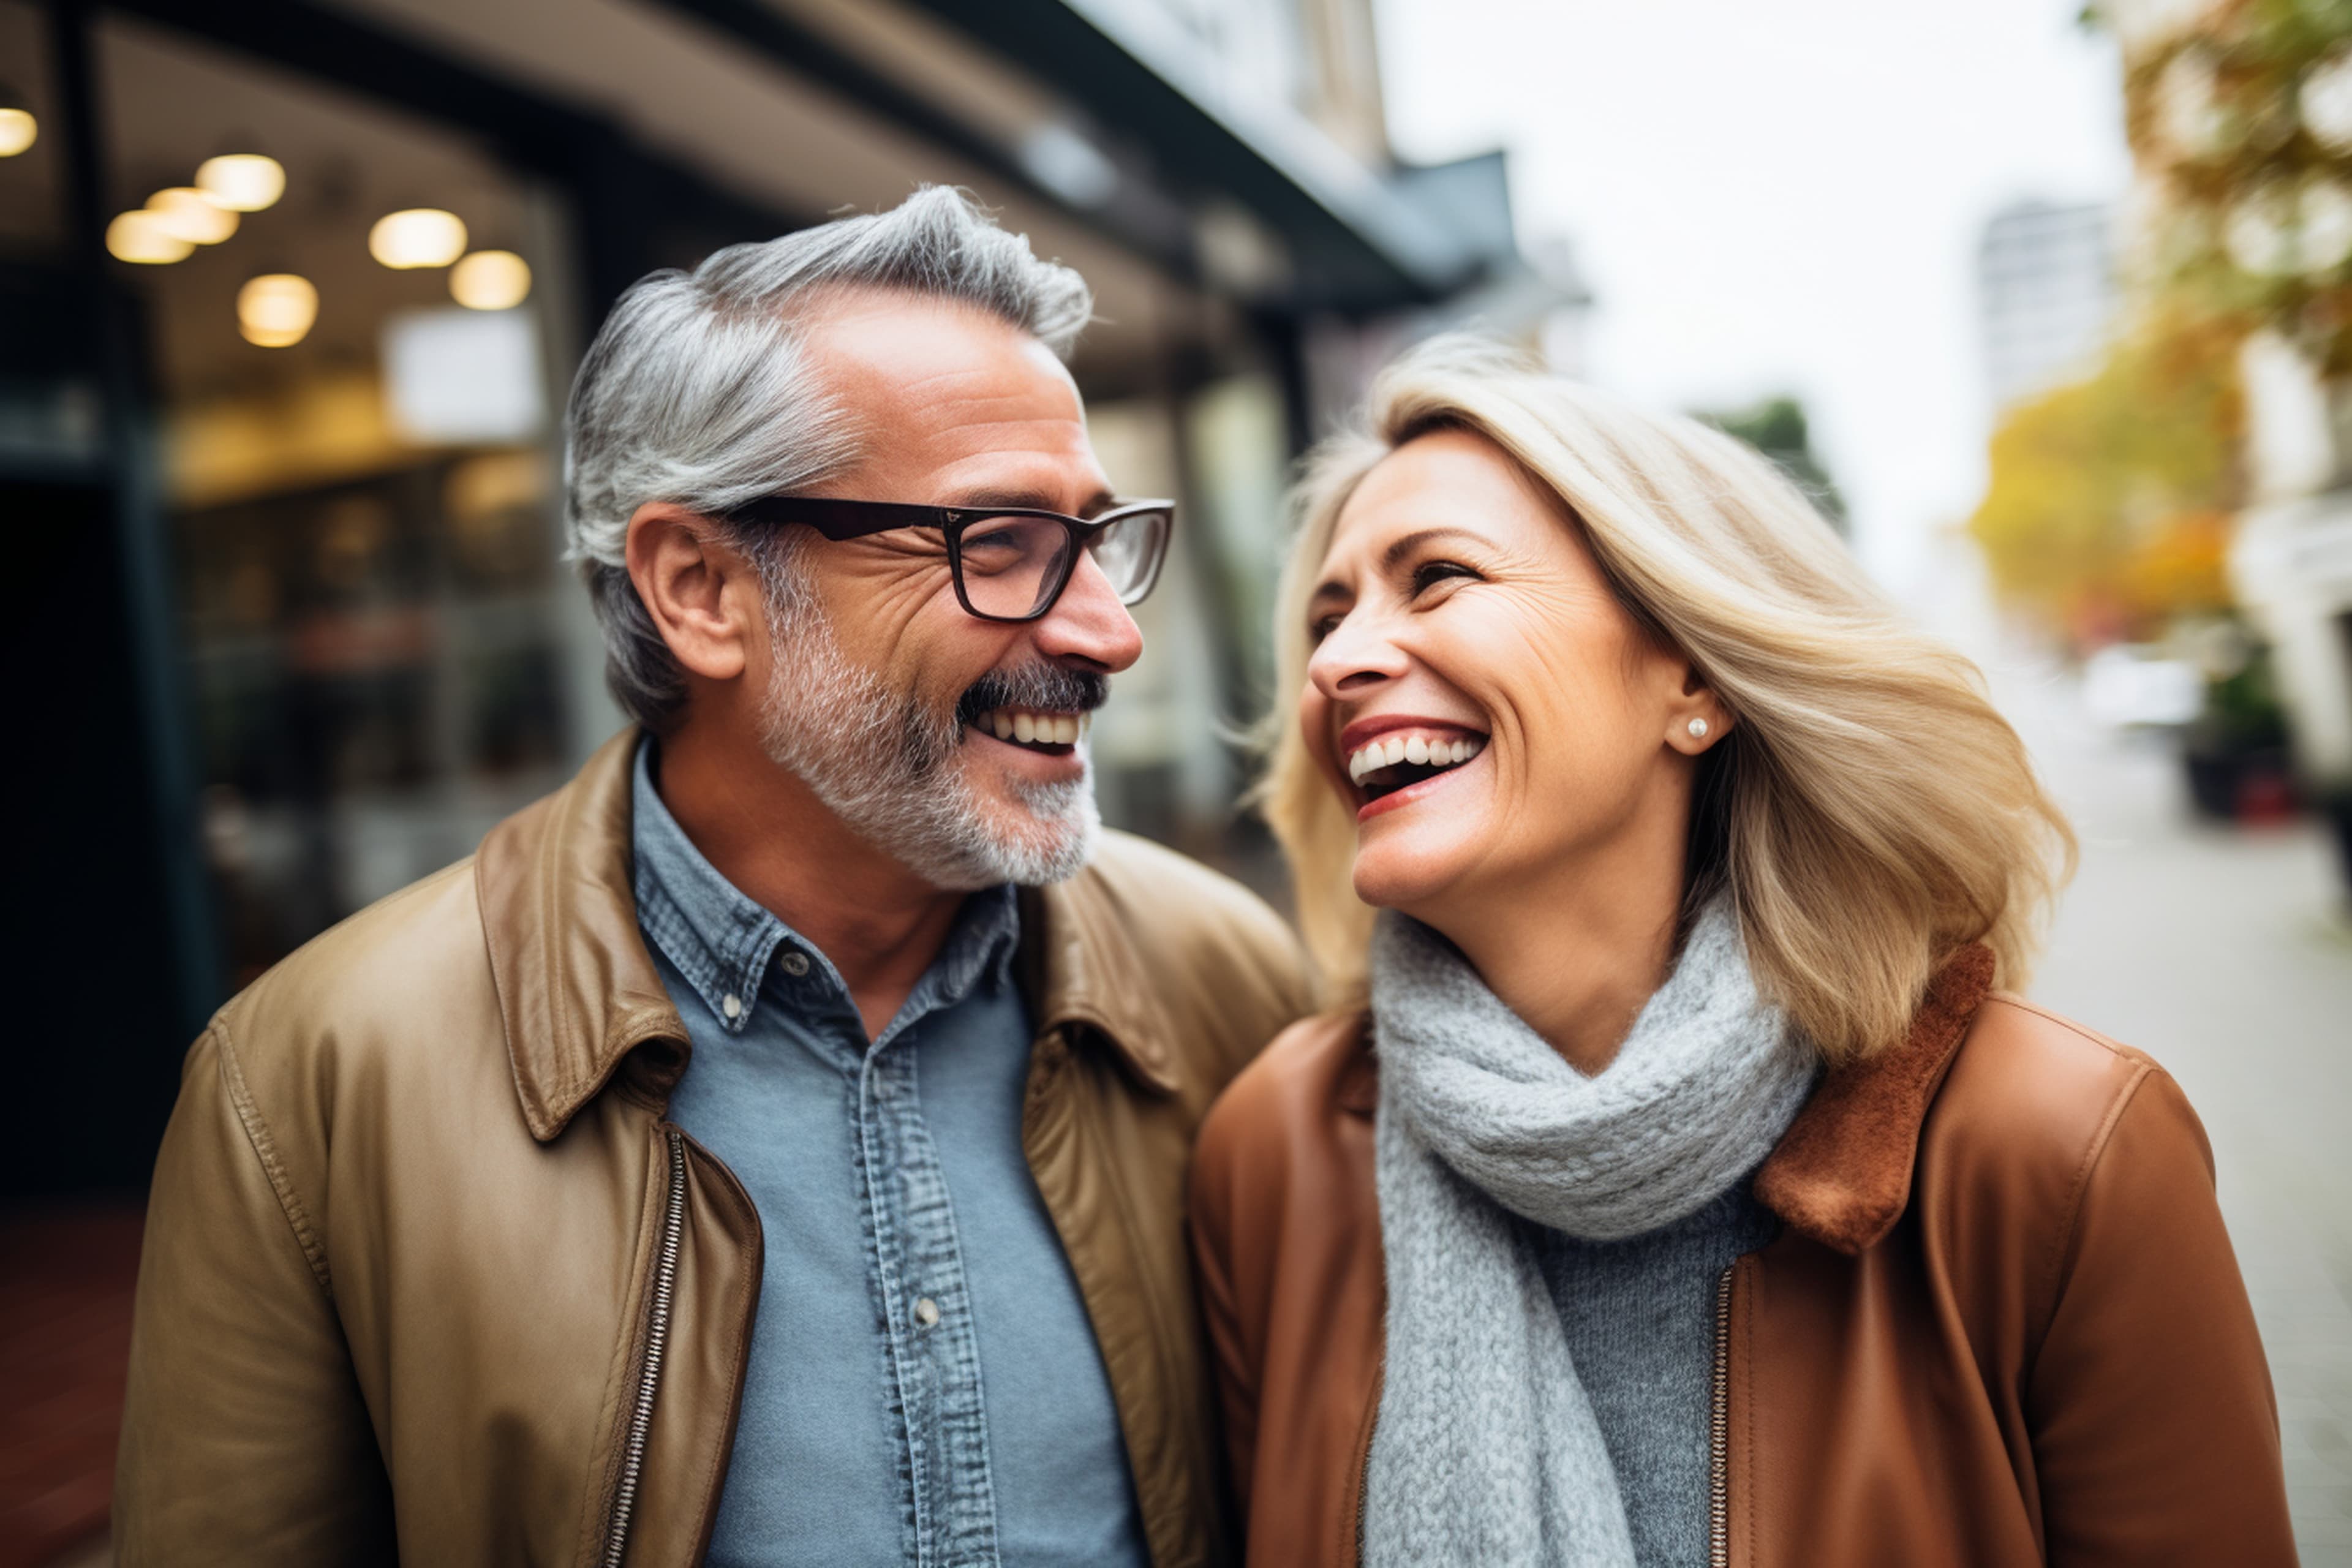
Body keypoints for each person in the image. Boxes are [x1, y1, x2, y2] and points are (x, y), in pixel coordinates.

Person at [115, 188, 1310, 1567]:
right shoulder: (313, 1085)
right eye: (1000, 545)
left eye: (1098, 542)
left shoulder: (1228, 983)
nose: (1110, 634)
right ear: (698, 586)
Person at [1188, 336, 2298, 1566]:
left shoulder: (2061, 1150)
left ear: (1695, 676)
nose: (1337, 660)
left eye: (1438, 576)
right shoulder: (1270, 1158)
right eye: (1326, 617)